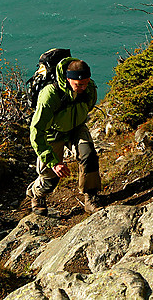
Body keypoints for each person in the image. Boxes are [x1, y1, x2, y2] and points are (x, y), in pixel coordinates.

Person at [26, 57, 102, 215]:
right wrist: (53, 162)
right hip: (52, 133)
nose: (83, 87)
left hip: (76, 128)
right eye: (79, 84)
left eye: (86, 83)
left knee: (89, 157)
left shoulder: (89, 88)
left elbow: (89, 105)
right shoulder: (50, 95)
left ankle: (90, 197)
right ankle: (37, 194)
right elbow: (36, 130)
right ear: (68, 79)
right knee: (51, 177)